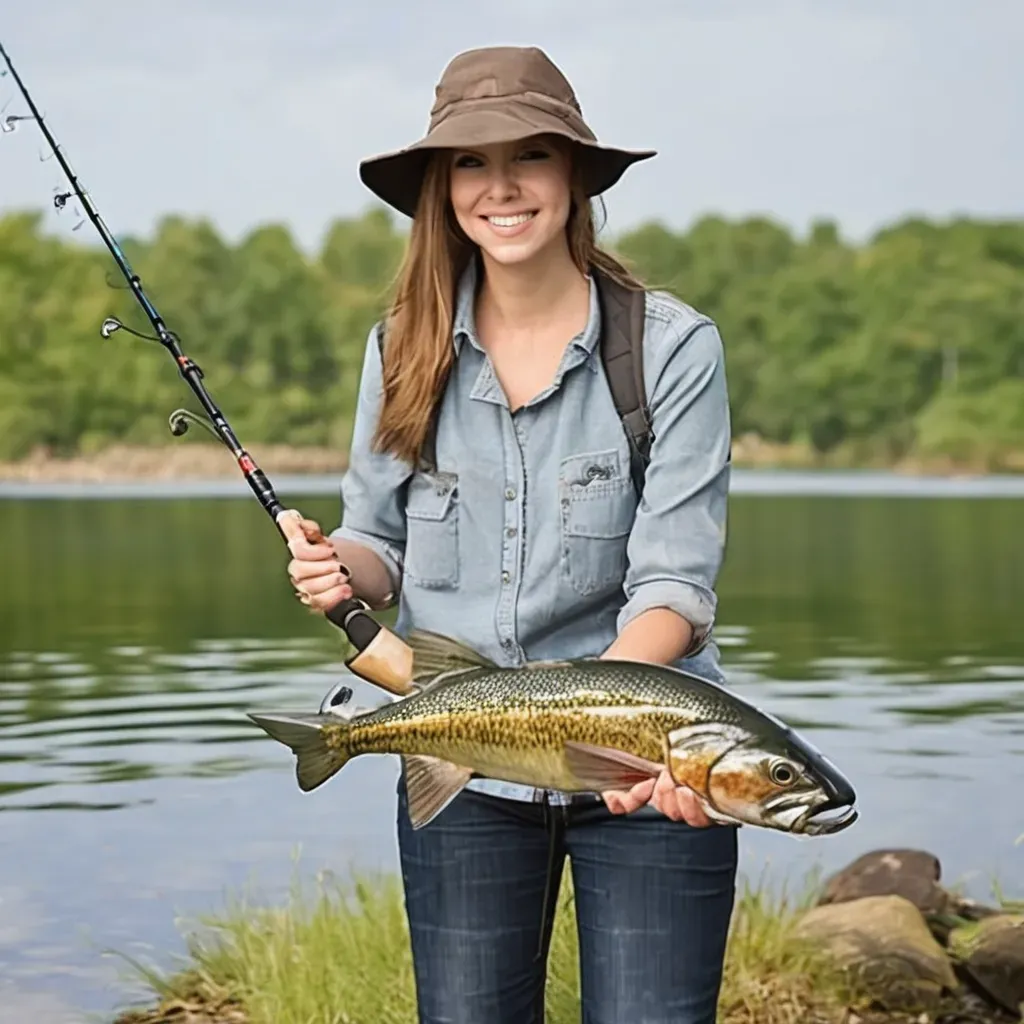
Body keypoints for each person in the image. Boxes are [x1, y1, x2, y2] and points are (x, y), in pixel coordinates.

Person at [280, 45, 737, 1024]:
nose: (502, 187)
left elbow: (674, 589)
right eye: (471, 163)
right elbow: (377, 544)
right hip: (465, 773)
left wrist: (616, 737)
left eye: (529, 155)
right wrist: (335, 568)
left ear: (574, 175)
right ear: (442, 191)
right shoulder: (396, 344)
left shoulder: (672, 348)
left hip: (651, 775)